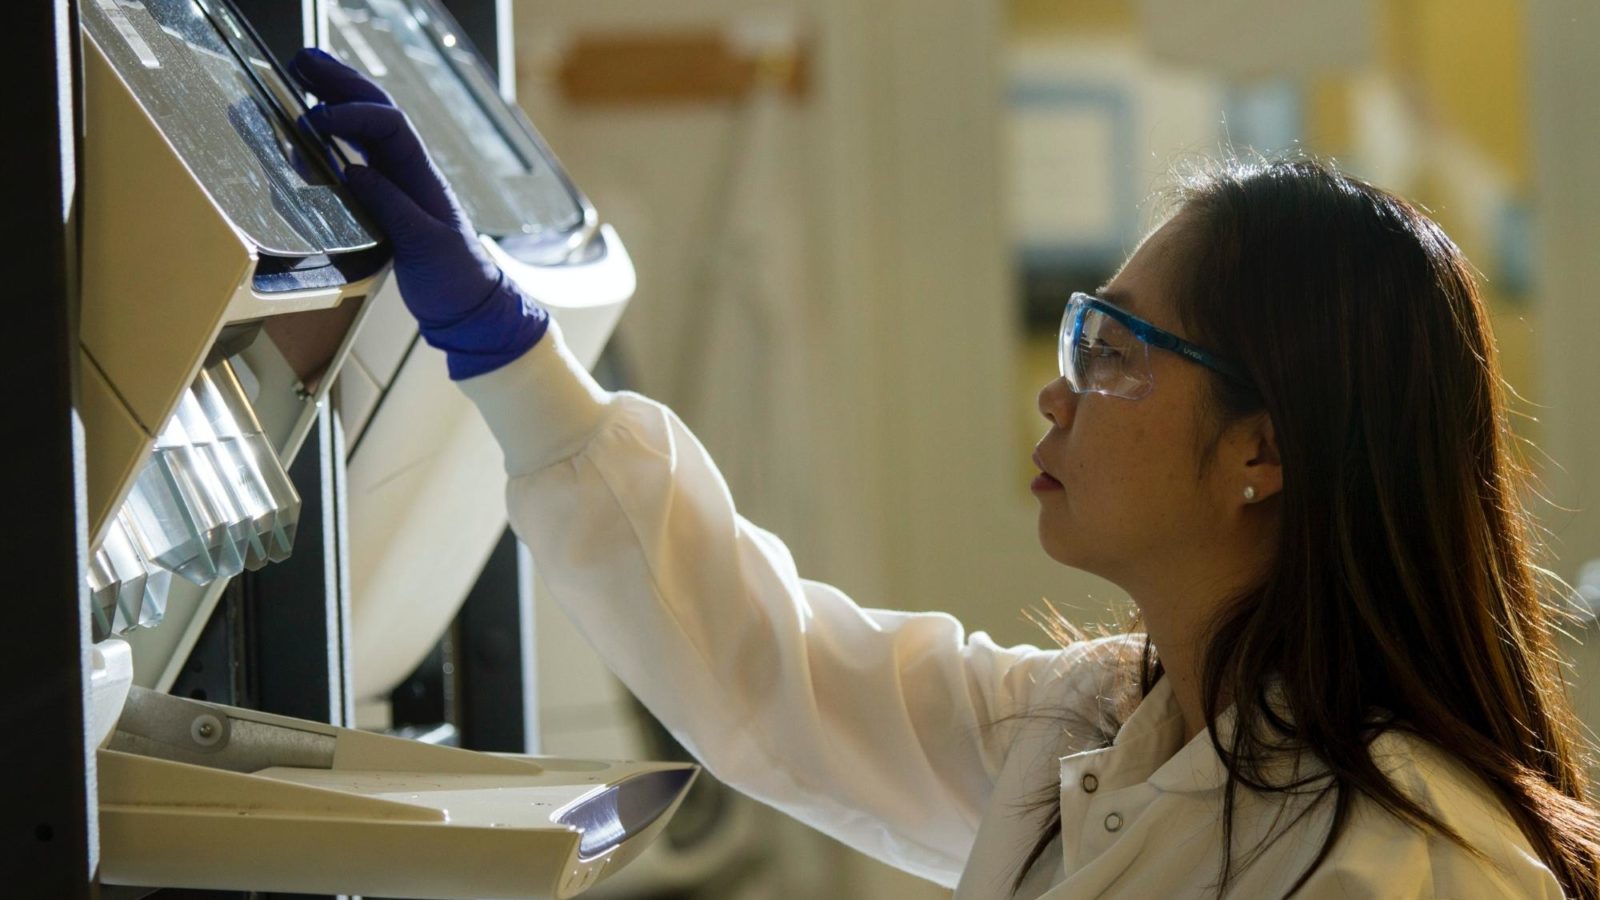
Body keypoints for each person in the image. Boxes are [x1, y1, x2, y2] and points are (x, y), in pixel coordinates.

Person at [290, 48, 1600, 898]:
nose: (1058, 386)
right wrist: (514, 356)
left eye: (1114, 350)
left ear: (1262, 453)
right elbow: (776, 671)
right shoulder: (1106, 726)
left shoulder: (1416, 865)